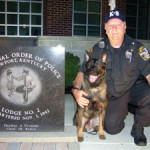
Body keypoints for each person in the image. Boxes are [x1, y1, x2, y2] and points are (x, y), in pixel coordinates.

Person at [72, 10, 150, 146]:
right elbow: (82, 72)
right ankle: (122, 111)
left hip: (134, 87)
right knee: (112, 128)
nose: (114, 28)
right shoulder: (98, 48)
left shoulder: (137, 48)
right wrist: (76, 90)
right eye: (110, 25)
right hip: (114, 95)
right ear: (105, 28)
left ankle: (139, 125)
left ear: (125, 27)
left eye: (118, 25)